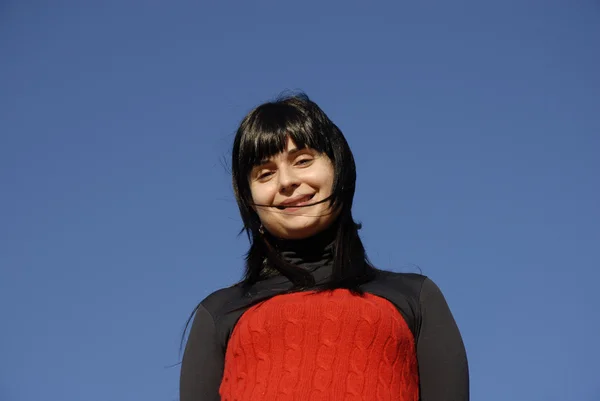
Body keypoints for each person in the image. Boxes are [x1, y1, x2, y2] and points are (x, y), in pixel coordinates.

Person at [179, 93, 469, 401]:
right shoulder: (218, 313)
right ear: (250, 202)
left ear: (338, 169)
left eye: (302, 160)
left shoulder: (416, 298)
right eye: (265, 173)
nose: (286, 181)